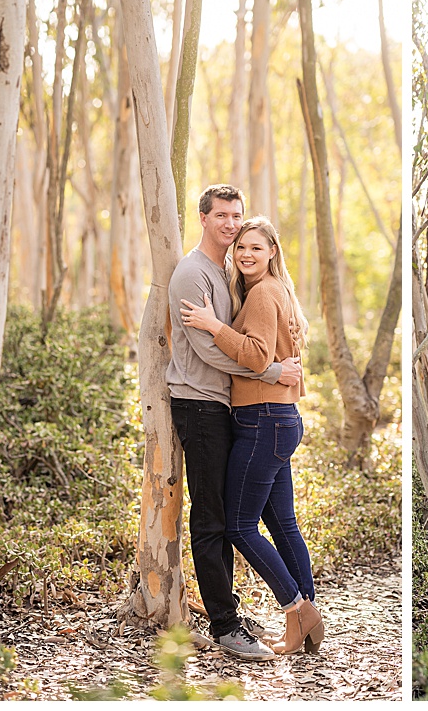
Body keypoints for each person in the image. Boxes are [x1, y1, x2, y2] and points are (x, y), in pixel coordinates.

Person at [166, 185, 303, 663]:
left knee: (234, 519)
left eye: (236, 218)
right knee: (213, 520)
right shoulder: (191, 275)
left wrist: (271, 369)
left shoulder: (230, 275)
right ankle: (225, 625)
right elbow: (207, 350)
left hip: (230, 410)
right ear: (202, 218)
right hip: (199, 406)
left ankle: (276, 612)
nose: (230, 226)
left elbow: (246, 340)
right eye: (221, 217)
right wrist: (273, 372)